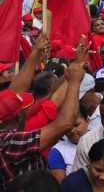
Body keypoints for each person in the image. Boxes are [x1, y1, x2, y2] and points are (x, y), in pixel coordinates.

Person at [0, 34, 87, 190]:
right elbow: (65, 123)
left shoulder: (8, 124)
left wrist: (36, 51)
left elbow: (16, 90)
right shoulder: (10, 143)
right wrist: (75, 76)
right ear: (20, 115)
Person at [49, 107, 90, 182]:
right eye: (68, 127)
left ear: (87, 121)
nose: (72, 130)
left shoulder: (99, 138)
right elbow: (60, 184)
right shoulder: (58, 150)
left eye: (76, 125)